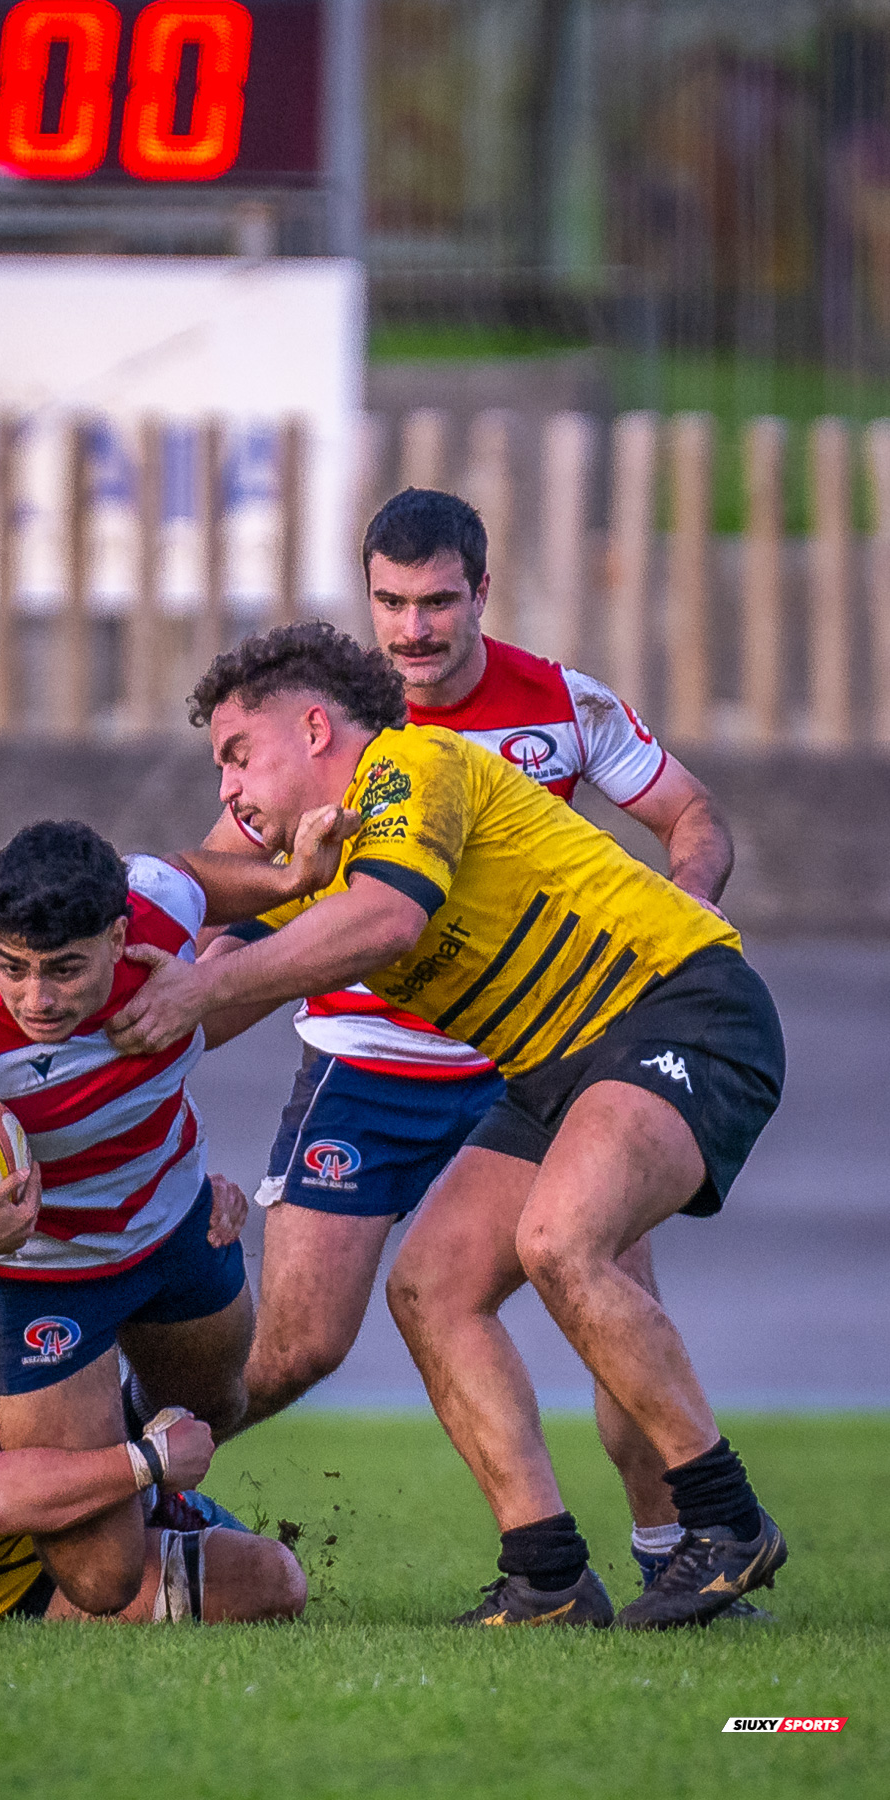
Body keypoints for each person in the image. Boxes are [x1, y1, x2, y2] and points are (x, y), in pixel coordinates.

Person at [107, 621, 787, 1631]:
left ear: (312, 727)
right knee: (430, 1289)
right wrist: (69, 1054)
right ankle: (546, 1574)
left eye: (237, 755)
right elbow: (222, 1000)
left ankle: (724, 1525)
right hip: (553, 1071)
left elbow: (388, 925)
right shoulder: (329, 863)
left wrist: (203, 982)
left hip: (678, 1006)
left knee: (561, 1240)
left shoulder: (413, 761)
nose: (227, 790)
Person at [198, 487, 737, 1605]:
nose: (412, 631)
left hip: (537, 1056)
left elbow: (694, 815)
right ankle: (114, 1477)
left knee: (612, 1308)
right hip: (364, 1061)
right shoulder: (332, 727)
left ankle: (673, 1562)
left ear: (481, 592)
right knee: (295, 1344)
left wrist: (680, 920)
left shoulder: (559, 704)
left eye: (437, 601)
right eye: (389, 603)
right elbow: (228, 893)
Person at [0, 815, 349, 1621]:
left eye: (65, 970)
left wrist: (290, 882)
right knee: (102, 1581)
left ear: (119, 937)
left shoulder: (155, 905)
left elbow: (189, 869)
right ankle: (127, 1480)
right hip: (47, 1280)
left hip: (173, 1230)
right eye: (13, 967)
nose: (36, 997)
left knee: (219, 1405)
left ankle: (134, 1469)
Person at [0, 1252, 305, 1624]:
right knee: (270, 1579)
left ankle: (142, 1507)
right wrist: (151, 1460)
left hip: (38, 1508)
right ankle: (140, 1504)